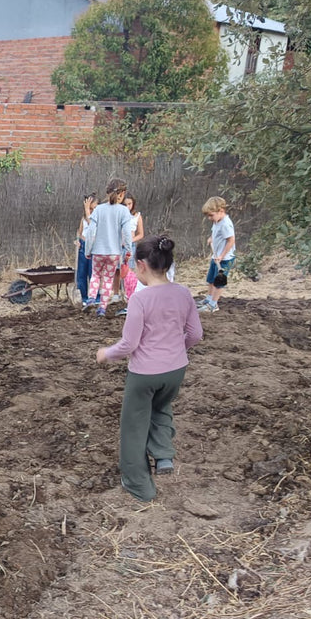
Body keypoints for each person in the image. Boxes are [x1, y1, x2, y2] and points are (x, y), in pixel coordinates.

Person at [96, 235, 203, 502]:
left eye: (134, 266)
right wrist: (176, 351)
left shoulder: (140, 300)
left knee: (133, 426)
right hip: (176, 370)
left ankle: (140, 486)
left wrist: (105, 354)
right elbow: (196, 334)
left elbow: (129, 344)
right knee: (161, 407)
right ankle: (164, 455)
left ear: (142, 265)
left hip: (144, 374)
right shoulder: (184, 293)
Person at [83, 178, 134, 316]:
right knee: (108, 279)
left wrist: (88, 250)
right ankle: (102, 309)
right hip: (114, 253)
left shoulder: (99, 209)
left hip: (98, 251)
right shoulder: (123, 211)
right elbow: (127, 234)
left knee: (95, 276)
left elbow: (90, 232)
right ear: (122, 194)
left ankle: (91, 299)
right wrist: (128, 251)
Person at [198, 196, 235, 313]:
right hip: (216, 257)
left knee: (218, 283)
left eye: (211, 215)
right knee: (211, 280)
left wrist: (222, 256)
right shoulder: (217, 221)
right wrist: (211, 238)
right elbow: (216, 233)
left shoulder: (225, 224)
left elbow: (231, 240)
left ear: (221, 211)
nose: (209, 218)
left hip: (224, 259)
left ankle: (213, 305)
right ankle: (209, 300)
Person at [75, 192, 97, 306]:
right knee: (82, 273)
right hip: (83, 245)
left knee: (94, 273)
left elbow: (92, 224)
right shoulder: (83, 218)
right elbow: (80, 231)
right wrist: (78, 240)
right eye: (90, 209)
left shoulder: (97, 218)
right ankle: (83, 297)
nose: (91, 211)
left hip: (94, 247)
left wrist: (88, 210)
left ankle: (96, 298)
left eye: (93, 208)